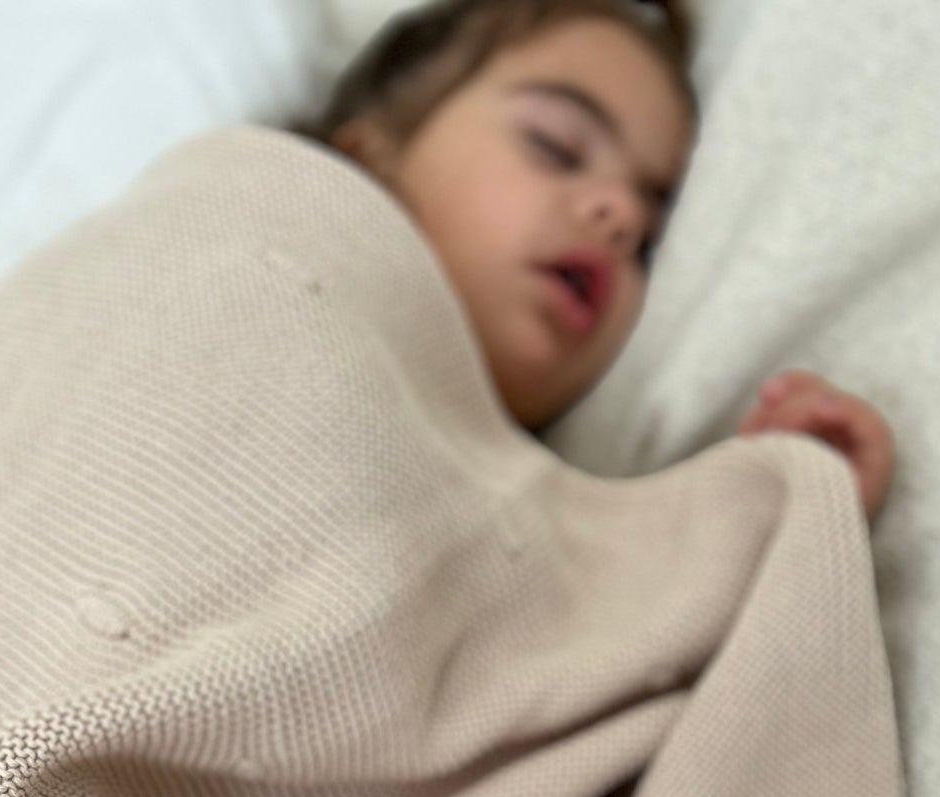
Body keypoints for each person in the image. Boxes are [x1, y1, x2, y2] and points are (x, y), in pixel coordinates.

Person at [287, 0, 895, 519]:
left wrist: (781, 507)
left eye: (651, 239)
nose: (622, 215)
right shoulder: (259, 245)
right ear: (370, 162)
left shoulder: (558, 520)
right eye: (557, 147)